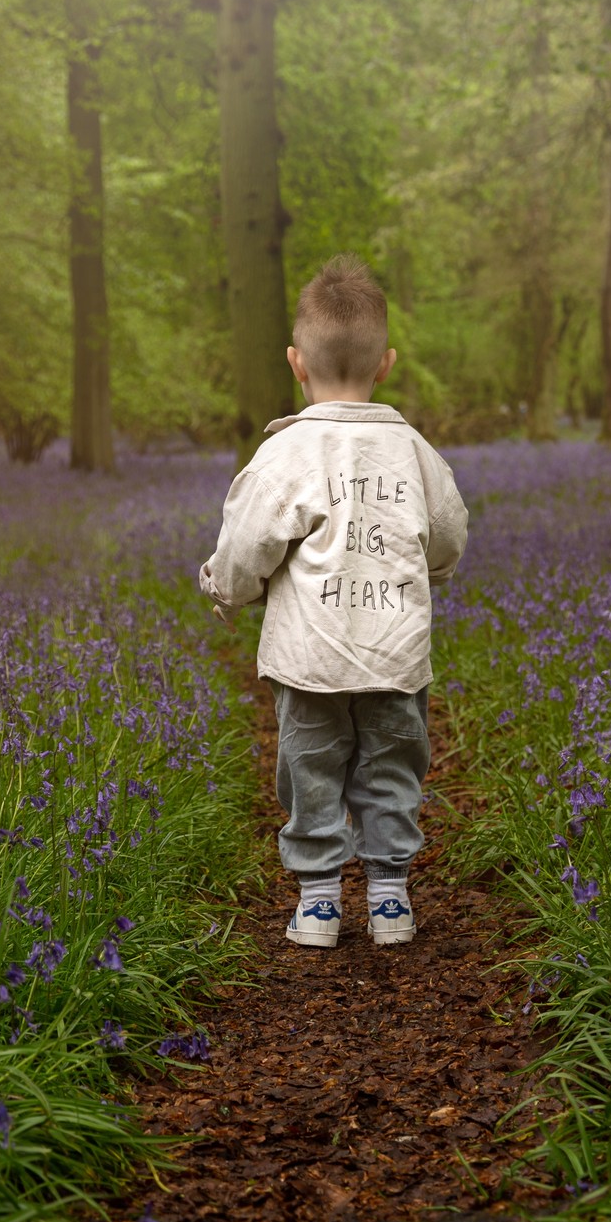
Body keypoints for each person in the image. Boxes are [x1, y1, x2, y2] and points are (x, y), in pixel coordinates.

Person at [200, 255, 469, 950]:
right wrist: (432, 570)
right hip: (395, 655)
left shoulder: (285, 456)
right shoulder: (415, 453)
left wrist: (225, 590)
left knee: (311, 772)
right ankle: (389, 900)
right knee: (391, 770)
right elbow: (447, 533)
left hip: (308, 660)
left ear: (296, 363)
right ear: (386, 364)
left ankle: (318, 904)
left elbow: (247, 544)